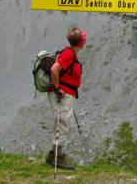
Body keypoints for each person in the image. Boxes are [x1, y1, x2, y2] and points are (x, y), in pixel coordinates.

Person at [45, 27, 86, 169]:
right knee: (62, 123)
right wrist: (58, 88)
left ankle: (54, 154)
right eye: (83, 39)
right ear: (81, 42)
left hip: (66, 93)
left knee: (62, 122)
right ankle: (57, 157)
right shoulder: (68, 54)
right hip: (62, 94)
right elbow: (54, 69)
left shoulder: (70, 53)